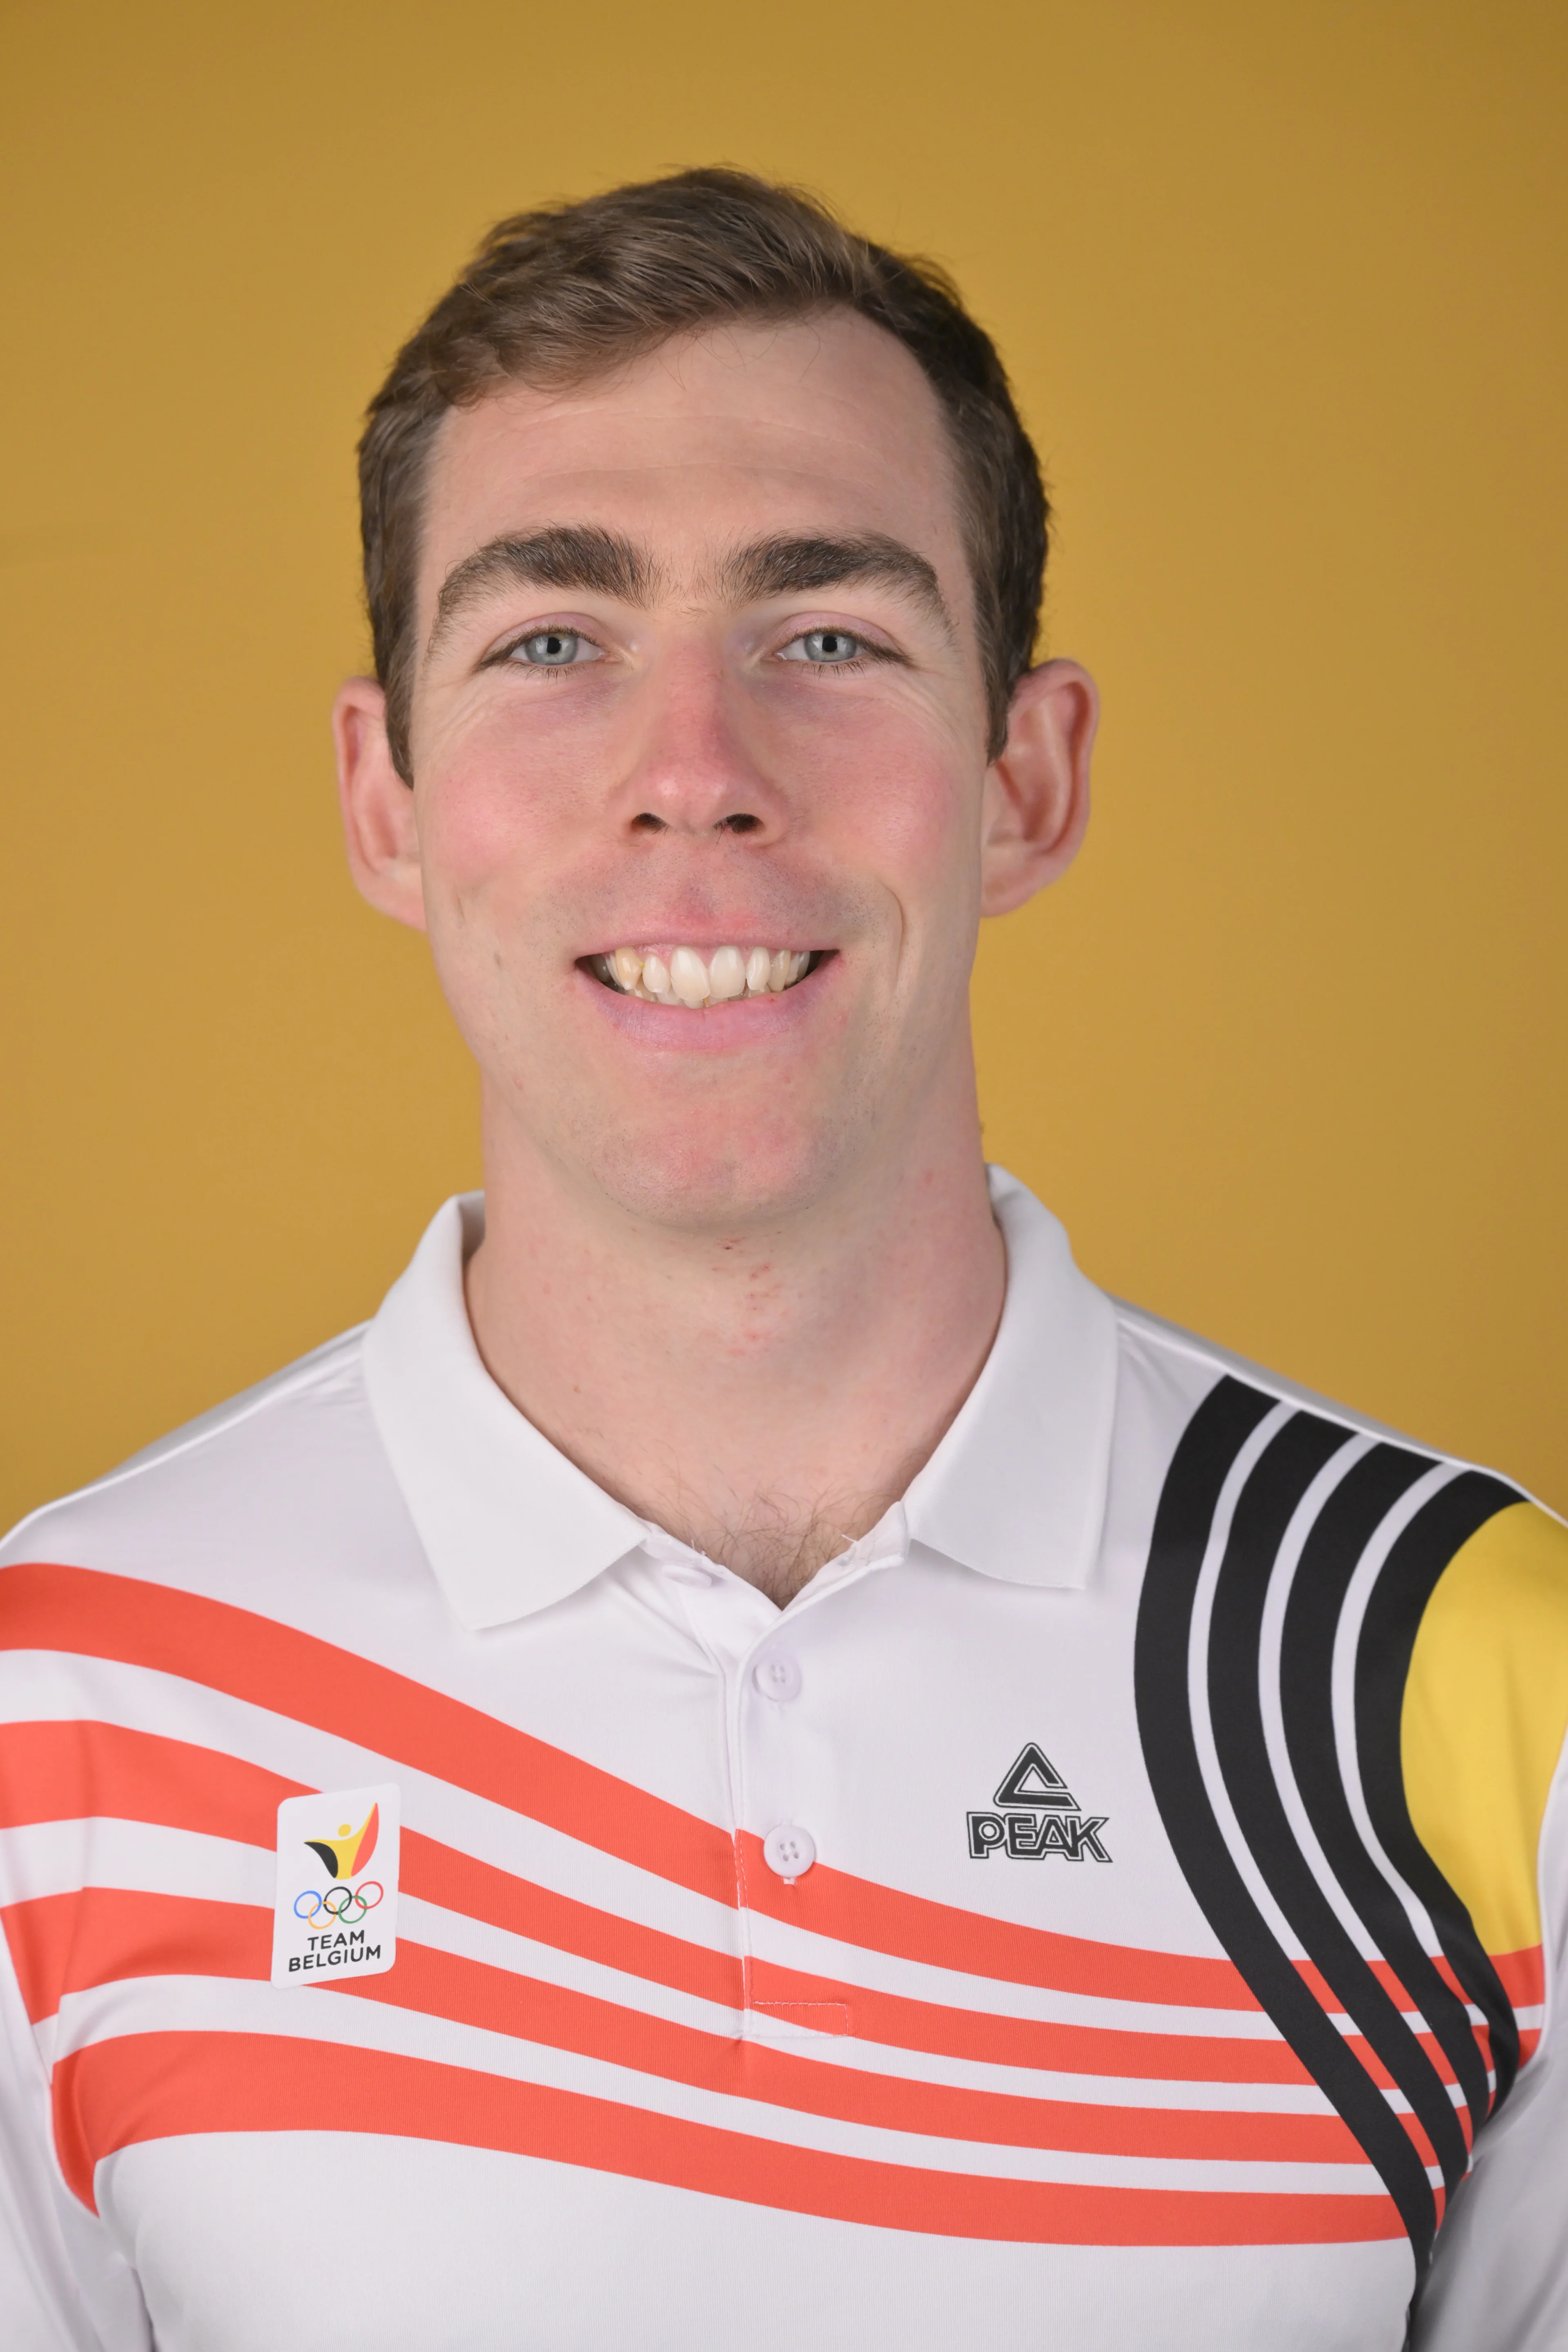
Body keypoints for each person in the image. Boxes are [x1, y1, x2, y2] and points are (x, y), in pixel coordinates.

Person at [0, 168, 1563, 2352]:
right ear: (390, 797)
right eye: (553, 641)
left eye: (825, 635)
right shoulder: (59, 1699)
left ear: (1022, 776)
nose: (694, 777)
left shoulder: (1479, 1675)